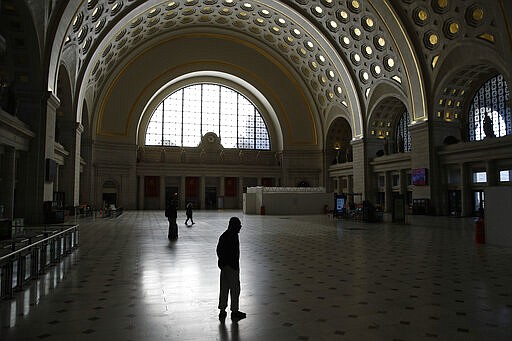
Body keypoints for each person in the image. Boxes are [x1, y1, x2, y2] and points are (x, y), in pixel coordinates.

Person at [216, 217, 246, 321]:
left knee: (224, 289)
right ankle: (234, 311)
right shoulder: (232, 236)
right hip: (232, 267)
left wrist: (222, 263)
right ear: (234, 225)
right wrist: (229, 263)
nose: (240, 227)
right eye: (239, 225)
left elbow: (218, 250)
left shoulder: (225, 235)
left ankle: (222, 310)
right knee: (235, 289)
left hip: (224, 267)